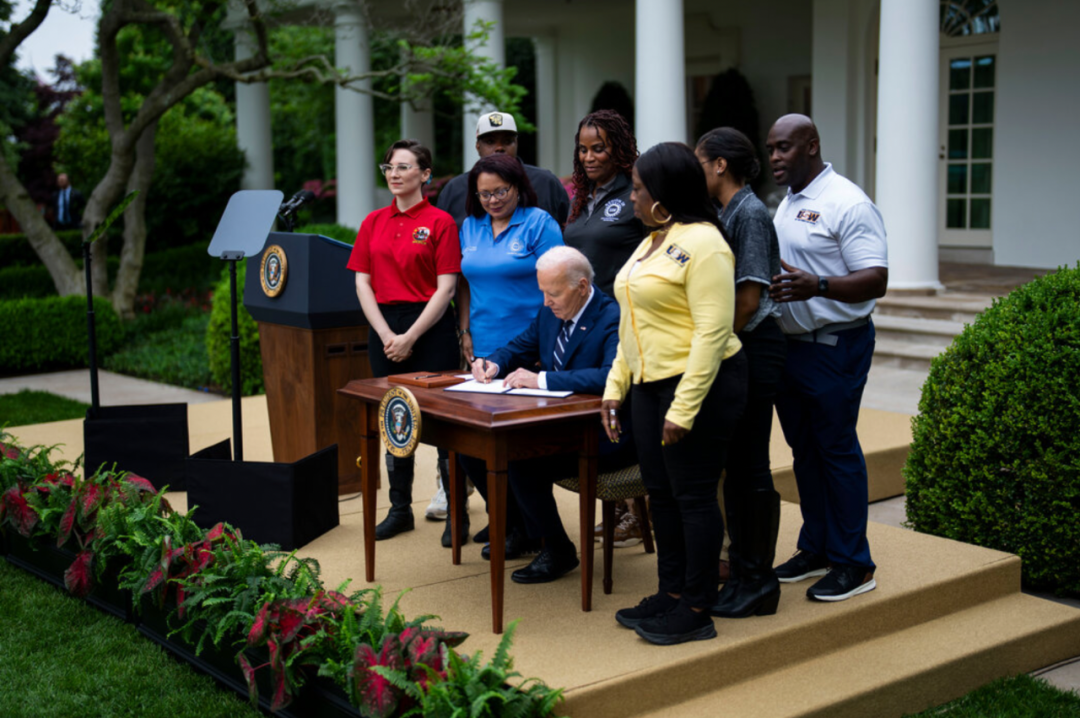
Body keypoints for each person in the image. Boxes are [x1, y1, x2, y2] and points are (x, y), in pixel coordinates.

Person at [603, 142, 748, 646]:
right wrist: (614, 388)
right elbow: (631, 323)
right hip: (647, 386)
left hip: (699, 386)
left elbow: (713, 332)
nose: (632, 197)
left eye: (639, 189)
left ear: (665, 192)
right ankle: (670, 593)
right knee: (660, 493)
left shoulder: (706, 242)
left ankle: (698, 604)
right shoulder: (652, 240)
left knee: (692, 496)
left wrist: (684, 408)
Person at [766, 114, 889, 602]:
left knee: (836, 451)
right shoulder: (790, 201)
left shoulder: (848, 202)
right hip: (791, 348)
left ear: (811, 146)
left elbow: (876, 277)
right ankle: (816, 547)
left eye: (784, 148)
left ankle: (854, 563)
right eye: (771, 148)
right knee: (805, 453)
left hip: (836, 345)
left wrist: (816, 284)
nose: (775, 156)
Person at [468, 246, 634, 583]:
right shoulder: (549, 313)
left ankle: (557, 550)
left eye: (553, 293)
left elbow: (609, 375)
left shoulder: (613, 317)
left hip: (604, 433)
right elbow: (519, 346)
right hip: (557, 427)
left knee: (521, 461)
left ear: (582, 286)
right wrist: (493, 362)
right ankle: (523, 529)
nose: (545, 301)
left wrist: (541, 379)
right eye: (542, 291)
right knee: (472, 449)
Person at [346, 139, 461, 542]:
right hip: (384, 325)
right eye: (389, 167)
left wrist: (410, 335)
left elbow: (446, 287)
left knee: (447, 424)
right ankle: (399, 509)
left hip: (429, 327)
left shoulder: (441, 222)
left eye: (404, 167)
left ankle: (455, 511)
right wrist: (386, 335)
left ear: (425, 174)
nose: (394, 174)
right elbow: (362, 282)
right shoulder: (373, 221)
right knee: (395, 418)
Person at [694, 127, 787, 619]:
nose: (696, 169)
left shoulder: (749, 212)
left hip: (752, 344)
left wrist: (711, 353)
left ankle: (759, 580)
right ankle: (748, 573)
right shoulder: (724, 212)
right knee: (737, 463)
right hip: (736, 345)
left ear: (720, 165)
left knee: (750, 464)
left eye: (699, 161)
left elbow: (749, 299)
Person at [456, 153, 565, 558]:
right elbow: (464, 283)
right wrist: (464, 331)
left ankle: (529, 529)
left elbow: (557, 283)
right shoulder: (470, 227)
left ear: (518, 186)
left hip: (530, 352)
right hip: (484, 353)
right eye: (484, 194)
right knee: (469, 449)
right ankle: (514, 520)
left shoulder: (539, 223)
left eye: (501, 191)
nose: (493, 200)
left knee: (519, 453)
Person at [436, 111, 569, 229]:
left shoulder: (545, 182)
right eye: (490, 142)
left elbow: (567, 229)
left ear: (516, 143)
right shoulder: (454, 189)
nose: (499, 147)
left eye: (507, 141)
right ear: (477, 146)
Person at [562, 110, 645, 297]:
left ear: (618, 149)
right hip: (581, 312)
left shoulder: (637, 196)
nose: (588, 158)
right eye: (583, 150)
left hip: (620, 311)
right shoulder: (577, 201)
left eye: (598, 149)